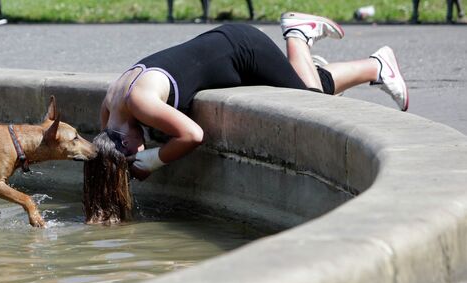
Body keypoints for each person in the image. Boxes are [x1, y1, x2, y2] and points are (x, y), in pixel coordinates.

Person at [84, 12, 409, 223]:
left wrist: (153, 160)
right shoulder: (110, 107)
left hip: (241, 49)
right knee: (309, 86)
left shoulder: (138, 102)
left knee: (310, 104)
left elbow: (193, 135)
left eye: (132, 156)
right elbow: (107, 157)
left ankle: (299, 33)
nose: (135, 157)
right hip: (220, 50)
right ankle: (374, 67)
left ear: (125, 143)